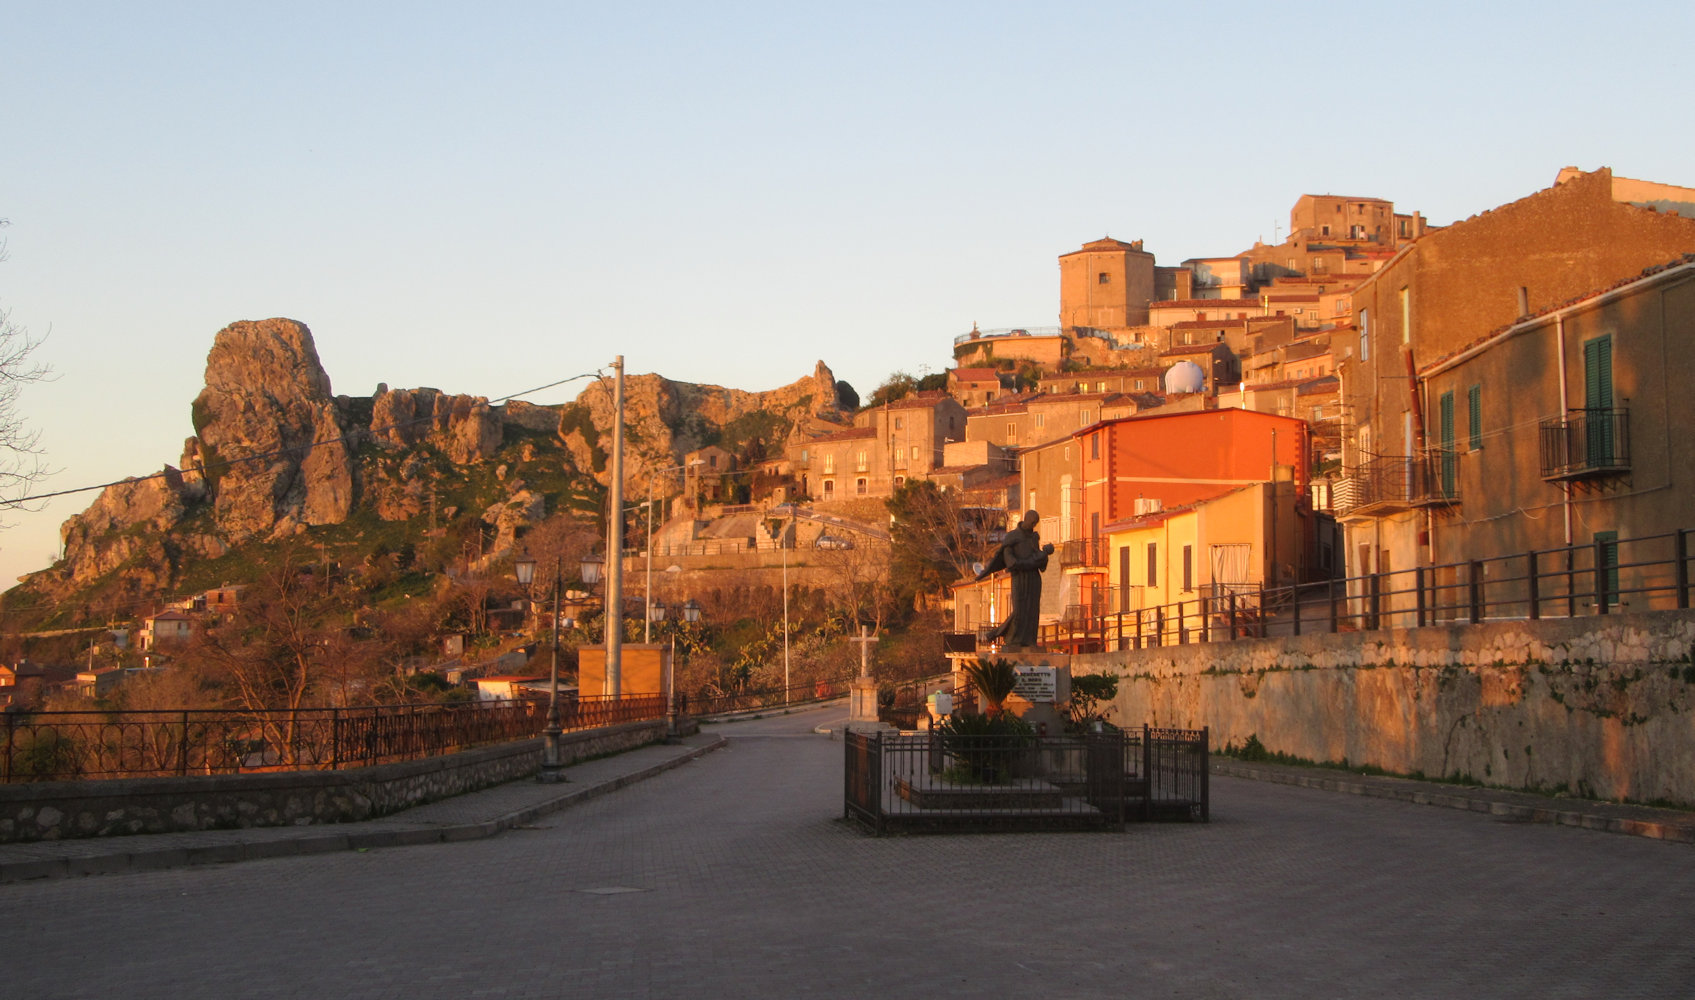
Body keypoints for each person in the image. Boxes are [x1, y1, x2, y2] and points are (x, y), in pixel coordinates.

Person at [976, 509, 1054, 649]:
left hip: (1033, 578)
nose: (1033, 525)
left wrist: (1044, 555)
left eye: (1035, 523)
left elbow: (1040, 562)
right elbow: (1008, 558)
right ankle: (1007, 637)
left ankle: (1029, 641)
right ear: (1026, 519)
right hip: (1019, 576)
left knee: (1032, 610)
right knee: (1019, 610)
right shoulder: (1012, 536)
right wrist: (1017, 563)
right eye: (1032, 522)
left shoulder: (1034, 537)